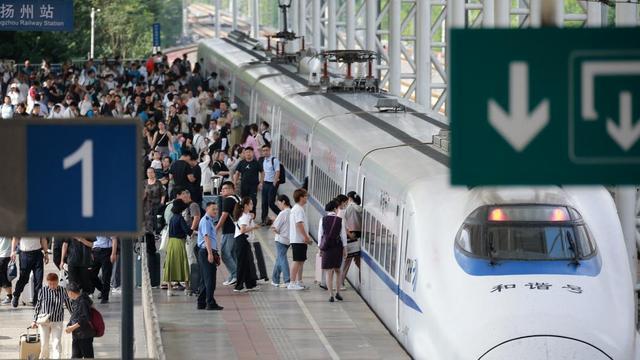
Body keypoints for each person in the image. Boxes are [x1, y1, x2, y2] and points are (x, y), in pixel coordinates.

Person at [32, 272, 73, 359]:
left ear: (58, 282)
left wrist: (74, 316)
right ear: (47, 282)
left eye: (54, 283)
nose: (52, 286)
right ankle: (44, 358)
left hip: (57, 321)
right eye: (50, 284)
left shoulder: (63, 290)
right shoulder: (43, 290)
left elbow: (69, 304)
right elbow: (38, 305)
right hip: (44, 321)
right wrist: (34, 320)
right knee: (44, 344)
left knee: (56, 343)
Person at [318, 201, 347, 302]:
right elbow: (343, 236)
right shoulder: (340, 220)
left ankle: (331, 295)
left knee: (328, 272)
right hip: (337, 247)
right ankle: (338, 292)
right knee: (338, 271)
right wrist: (345, 249)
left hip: (327, 248)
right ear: (335, 209)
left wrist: (320, 249)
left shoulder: (323, 219)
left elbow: (320, 235)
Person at [196, 202, 223, 310]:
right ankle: (210, 302)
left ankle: (201, 302)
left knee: (204, 279)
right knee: (210, 279)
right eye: (213, 209)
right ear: (207, 209)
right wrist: (210, 254)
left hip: (205, 251)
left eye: (216, 209)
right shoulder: (206, 221)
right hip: (206, 252)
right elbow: (206, 237)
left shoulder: (208, 220)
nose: (215, 211)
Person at [163, 199, 192, 296]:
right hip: (179, 243)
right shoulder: (180, 218)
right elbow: (187, 230)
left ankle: (169, 289)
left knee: (170, 264)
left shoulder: (172, 218)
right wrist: (194, 232)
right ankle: (187, 288)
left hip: (171, 243)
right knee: (183, 263)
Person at [10, 237, 48, 307]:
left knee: (38, 280)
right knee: (24, 279)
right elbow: (15, 239)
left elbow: (43, 239)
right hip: (25, 254)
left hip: (37, 254)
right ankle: (16, 295)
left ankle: (36, 302)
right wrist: (12, 251)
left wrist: (46, 253)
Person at [232, 197, 260, 293]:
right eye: (251, 204)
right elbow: (242, 230)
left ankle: (250, 284)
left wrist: (251, 217)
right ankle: (238, 286)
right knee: (242, 263)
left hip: (244, 240)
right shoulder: (244, 216)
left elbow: (249, 217)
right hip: (241, 240)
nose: (252, 205)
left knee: (248, 262)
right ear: (245, 206)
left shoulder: (245, 215)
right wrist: (253, 227)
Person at [215, 181, 240, 286]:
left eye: (225, 189)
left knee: (225, 254)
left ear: (231, 189)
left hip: (229, 231)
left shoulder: (228, 200)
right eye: (222, 189)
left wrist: (216, 228)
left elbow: (224, 216)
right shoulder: (237, 198)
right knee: (233, 254)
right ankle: (234, 276)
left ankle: (235, 274)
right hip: (236, 230)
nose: (222, 191)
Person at [288, 189, 312, 290]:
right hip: (298, 240)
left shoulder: (298, 209)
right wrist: (306, 237)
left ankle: (299, 281)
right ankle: (292, 283)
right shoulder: (298, 209)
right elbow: (299, 225)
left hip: (299, 240)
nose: (307, 198)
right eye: (305, 196)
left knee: (301, 261)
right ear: (301, 197)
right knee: (297, 261)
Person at [65, 282, 95, 359]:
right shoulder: (77, 301)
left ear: (70, 292)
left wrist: (72, 327)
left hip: (84, 335)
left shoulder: (83, 302)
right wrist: (69, 324)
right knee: (76, 356)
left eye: (67, 293)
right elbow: (75, 315)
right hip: (78, 335)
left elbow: (85, 318)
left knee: (87, 356)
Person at [340, 191, 363, 289]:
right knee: (357, 261)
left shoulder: (349, 208)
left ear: (349, 199)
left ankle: (340, 282)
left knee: (347, 262)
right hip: (358, 237)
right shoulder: (360, 208)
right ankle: (362, 280)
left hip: (351, 237)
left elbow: (342, 223)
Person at [233, 147, 263, 219]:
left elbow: (262, 172)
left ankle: (252, 216)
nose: (248, 153)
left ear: (252, 153)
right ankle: (244, 215)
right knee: (244, 201)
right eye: (246, 152)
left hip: (253, 186)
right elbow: (237, 173)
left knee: (253, 200)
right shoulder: (241, 162)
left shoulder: (256, 163)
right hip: (243, 186)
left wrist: (261, 182)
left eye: (250, 152)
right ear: (244, 154)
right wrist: (234, 183)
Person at [270, 195, 291, 287]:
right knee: (279, 258)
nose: (278, 205)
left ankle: (287, 280)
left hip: (280, 239)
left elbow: (274, 227)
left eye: (278, 203)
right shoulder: (292, 212)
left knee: (282, 259)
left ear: (283, 202)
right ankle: (275, 279)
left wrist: (276, 229)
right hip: (289, 240)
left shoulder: (283, 213)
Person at [91, 236, 118, 304]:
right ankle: (103, 290)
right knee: (91, 274)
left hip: (106, 251)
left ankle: (105, 297)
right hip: (95, 251)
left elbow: (114, 239)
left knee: (106, 275)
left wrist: (113, 253)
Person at [144, 167, 165, 253]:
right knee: (148, 221)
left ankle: (157, 233)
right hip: (147, 206)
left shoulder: (158, 182)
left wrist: (162, 202)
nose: (149, 174)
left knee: (156, 220)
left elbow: (163, 193)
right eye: (148, 172)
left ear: (154, 173)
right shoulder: (144, 183)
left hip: (157, 205)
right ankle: (150, 234)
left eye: (151, 172)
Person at [260, 144, 281, 226]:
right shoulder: (264, 160)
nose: (265, 152)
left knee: (270, 203)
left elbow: (277, 172)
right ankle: (264, 220)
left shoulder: (274, 160)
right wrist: (261, 183)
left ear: (269, 150)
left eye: (266, 150)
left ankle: (281, 215)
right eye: (263, 151)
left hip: (272, 184)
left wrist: (274, 183)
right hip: (265, 183)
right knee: (264, 203)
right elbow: (264, 172)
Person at [0, 237, 12, 305]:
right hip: (6, 254)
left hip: (3, 255)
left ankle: (9, 296)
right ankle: (9, 296)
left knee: (4, 277)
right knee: (4, 276)